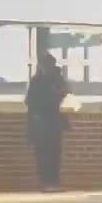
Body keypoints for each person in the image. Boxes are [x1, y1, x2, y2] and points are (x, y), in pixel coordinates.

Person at [26, 52, 69, 190]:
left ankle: (53, 181)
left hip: (51, 119)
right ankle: (46, 182)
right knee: (43, 152)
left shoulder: (56, 79)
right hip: (41, 120)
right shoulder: (37, 80)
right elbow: (30, 101)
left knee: (54, 152)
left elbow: (64, 93)